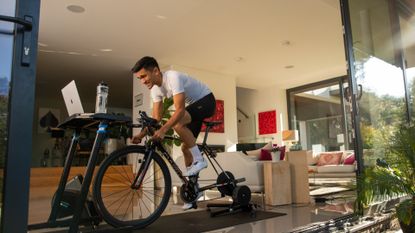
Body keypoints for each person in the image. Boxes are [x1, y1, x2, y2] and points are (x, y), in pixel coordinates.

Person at [130, 56, 216, 209]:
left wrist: (163, 130)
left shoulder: (172, 77)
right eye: (139, 78)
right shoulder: (155, 90)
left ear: (155, 71)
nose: (142, 81)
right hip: (193, 109)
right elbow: (155, 119)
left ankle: (200, 160)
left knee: (178, 122)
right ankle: (193, 193)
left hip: (206, 101)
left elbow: (180, 111)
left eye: (143, 76)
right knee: (185, 148)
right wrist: (141, 135)